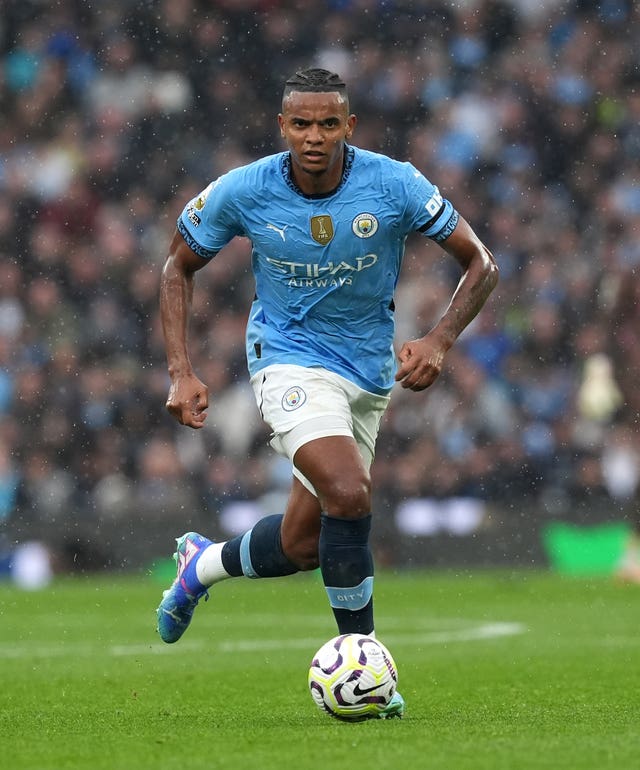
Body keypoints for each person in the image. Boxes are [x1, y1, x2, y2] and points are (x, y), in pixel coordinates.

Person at [156, 67, 498, 718]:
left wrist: (439, 340)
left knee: (305, 545)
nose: (315, 137)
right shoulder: (245, 189)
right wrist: (180, 369)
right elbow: (177, 263)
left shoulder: (393, 183)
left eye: (328, 124)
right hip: (287, 361)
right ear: (283, 127)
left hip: (368, 373)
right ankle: (364, 662)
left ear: (349, 127)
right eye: (302, 124)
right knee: (347, 492)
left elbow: (482, 262)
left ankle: (200, 566)